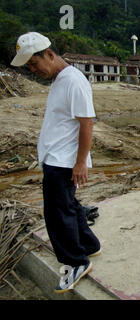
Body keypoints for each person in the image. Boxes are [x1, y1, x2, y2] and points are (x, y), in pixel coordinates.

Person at [11, 32, 101, 294]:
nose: (32, 70)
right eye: (28, 66)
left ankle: (75, 262)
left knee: (57, 214)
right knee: (68, 206)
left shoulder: (73, 81)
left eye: (34, 64)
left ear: (49, 54)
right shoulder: (60, 79)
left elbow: (87, 123)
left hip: (63, 161)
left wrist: (80, 163)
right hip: (56, 159)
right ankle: (90, 246)